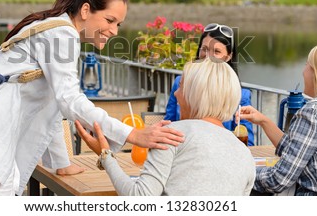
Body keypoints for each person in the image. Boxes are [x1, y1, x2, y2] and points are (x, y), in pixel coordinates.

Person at [0, 0, 184, 196]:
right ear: (86, 10)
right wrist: (132, 134)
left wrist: (61, 162)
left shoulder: (55, 29)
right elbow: (70, 100)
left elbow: (55, 102)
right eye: (110, 20)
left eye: (119, 24)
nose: (114, 31)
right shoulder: (62, 33)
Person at [76, 58, 256, 195]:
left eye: (182, 87)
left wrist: (106, 156)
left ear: (195, 94)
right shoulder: (245, 153)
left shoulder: (171, 134)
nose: (176, 93)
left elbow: (140, 198)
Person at [240, 42, 317, 196]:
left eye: (307, 65)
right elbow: (297, 148)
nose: (303, 71)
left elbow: (278, 180)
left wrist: (240, 172)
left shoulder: (314, 112)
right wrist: (264, 121)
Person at [164, 23, 255, 145]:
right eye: (205, 49)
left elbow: (247, 142)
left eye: (216, 51)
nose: (208, 56)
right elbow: (168, 123)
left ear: (228, 57)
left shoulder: (240, 95)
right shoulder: (181, 84)